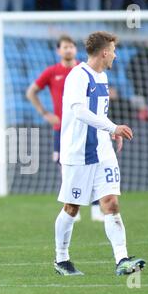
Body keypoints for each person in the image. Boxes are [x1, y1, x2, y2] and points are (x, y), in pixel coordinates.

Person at [55, 31, 146, 276]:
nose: (115, 56)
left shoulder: (103, 77)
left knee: (111, 202)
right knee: (72, 207)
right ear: (105, 52)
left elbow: (99, 113)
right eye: (114, 51)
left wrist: (111, 130)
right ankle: (61, 259)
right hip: (78, 152)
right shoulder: (78, 76)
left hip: (102, 150)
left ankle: (122, 260)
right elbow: (79, 111)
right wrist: (113, 127)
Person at [26, 35, 105, 222]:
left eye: (71, 46)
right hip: (62, 128)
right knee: (65, 167)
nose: (68, 50)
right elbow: (31, 92)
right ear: (58, 50)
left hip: (86, 127)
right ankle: (72, 207)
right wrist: (44, 113)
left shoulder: (84, 70)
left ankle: (95, 209)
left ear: (75, 50)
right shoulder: (52, 72)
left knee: (93, 164)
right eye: (65, 47)